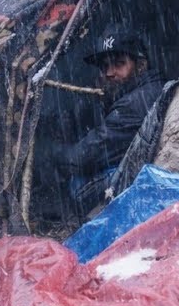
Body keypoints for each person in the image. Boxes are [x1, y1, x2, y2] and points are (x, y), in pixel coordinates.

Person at [56, 25, 165, 217]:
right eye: (105, 66)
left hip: (148, 178)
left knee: (78, 185)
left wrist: (55, 157)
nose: (109, 72)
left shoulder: (134, 103)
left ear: (140, 65)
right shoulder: (149, 89)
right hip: (153, 172)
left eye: (119, 63)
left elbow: (88, 154)